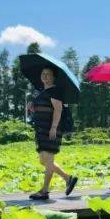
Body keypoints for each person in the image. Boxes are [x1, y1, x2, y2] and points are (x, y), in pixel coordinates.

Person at [28, 66, 78, 200]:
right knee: (43, 160)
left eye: (48, 74)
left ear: (53, 77)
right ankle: (68, 179)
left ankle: (44, 191)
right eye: (43, 74)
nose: (45, 76)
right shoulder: (42, 91)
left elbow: (58, 109)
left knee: (48, 159)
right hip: (41, 129)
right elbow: (43, 108)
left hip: (51, 129)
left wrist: (54, 127)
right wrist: (32, 107)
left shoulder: (55, 91)